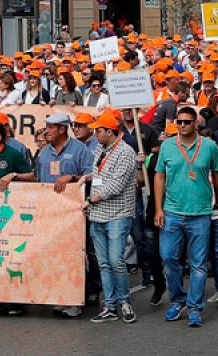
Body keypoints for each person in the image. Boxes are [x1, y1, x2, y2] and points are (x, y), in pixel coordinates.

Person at [155, 104, 218, 328]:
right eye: (179, 122)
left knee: (198, 265)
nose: (182, 125)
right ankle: (177, 300)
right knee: (168, 259)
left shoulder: (209, 146)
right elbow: (159, 176)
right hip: (172, 212)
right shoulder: (167, 146)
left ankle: (195, 307)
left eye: (186, 122)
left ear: (196, 124)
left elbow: (217, 174)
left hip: (200, 213)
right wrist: (158, 208)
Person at [84, 113, 138, 325]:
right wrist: (87, 178)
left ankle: (124, 302)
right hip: (97, 214)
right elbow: (100, 176)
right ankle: (110, 306)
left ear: (109, 131)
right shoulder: (100, 148)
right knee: (104, 263)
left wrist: (91, 199)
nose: (95, 134)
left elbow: (116, 185)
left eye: (98, 130)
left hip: (118, 213)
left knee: (116, 260)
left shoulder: (126, 152)